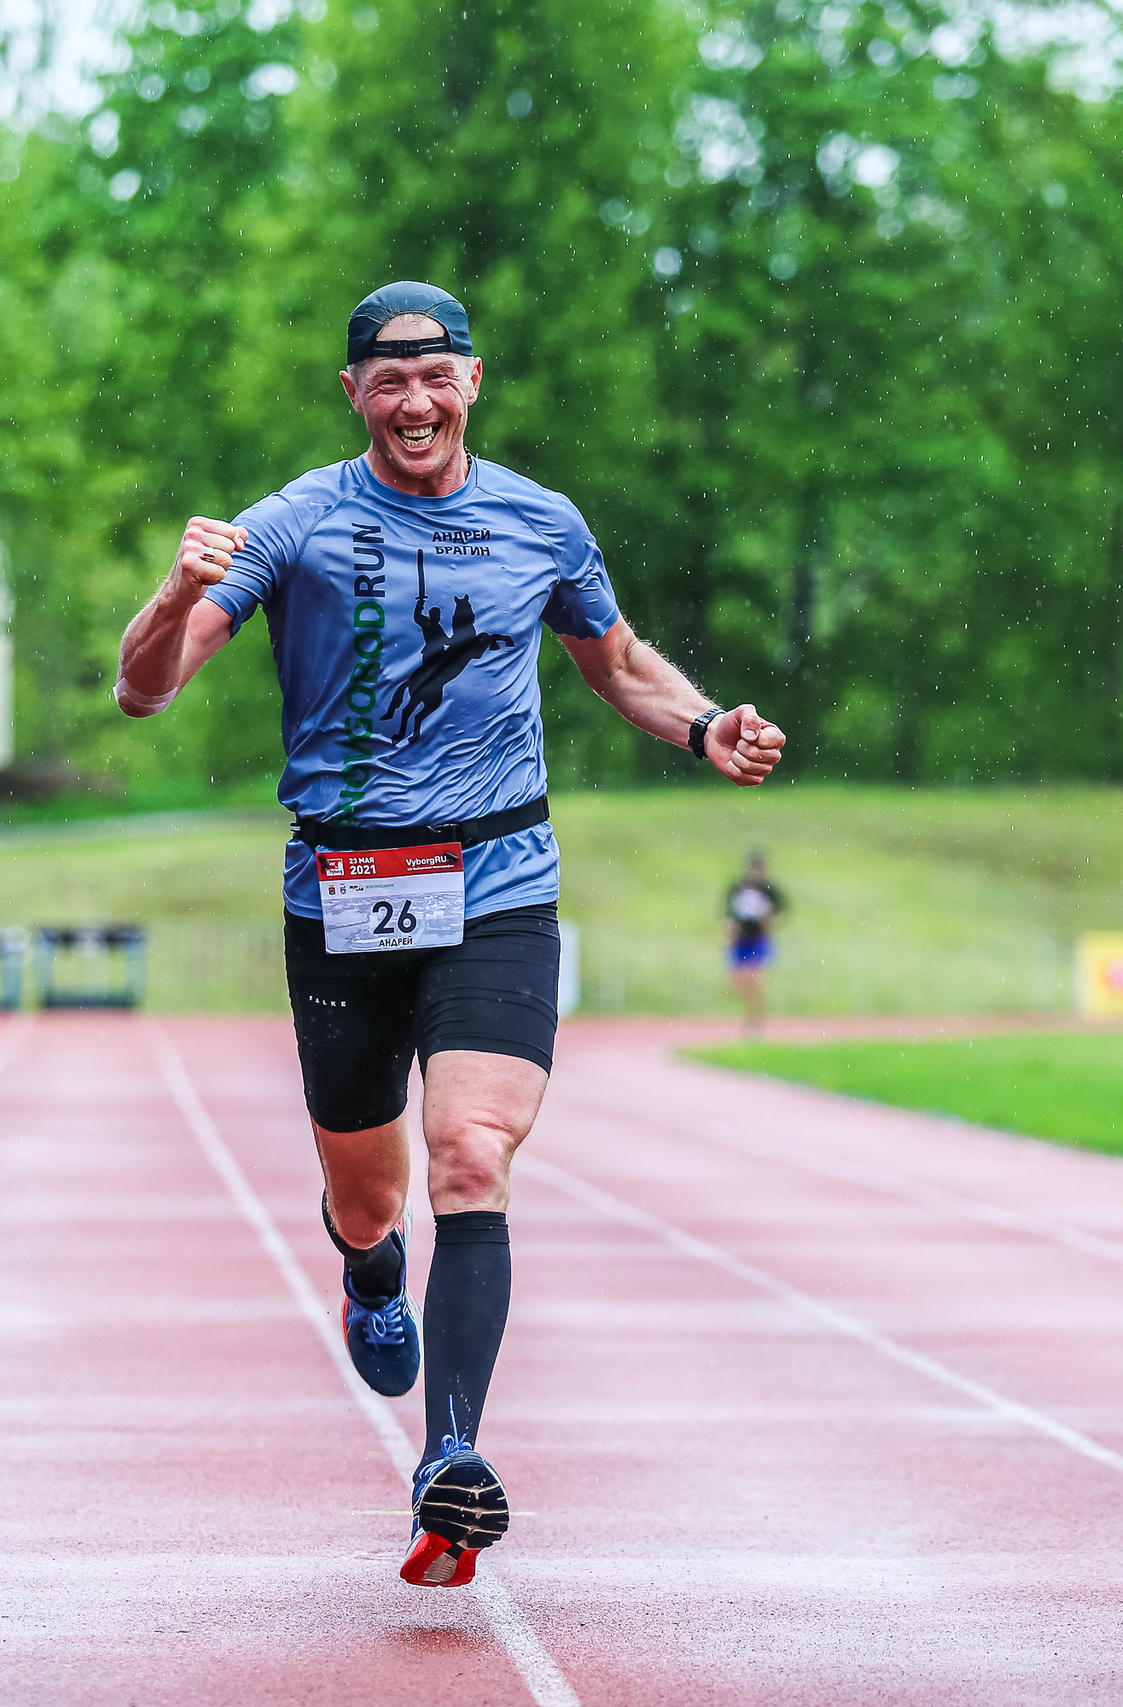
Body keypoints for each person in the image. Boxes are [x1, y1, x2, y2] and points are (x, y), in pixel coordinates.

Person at [113, 281, 786, 1588]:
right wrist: (167, 592)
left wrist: (704, 723)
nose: (416, 401)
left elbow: (621, 662)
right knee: (373, 1197)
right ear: (355, 394)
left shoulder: (542, 521)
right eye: (389, 380)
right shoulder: (291, 523)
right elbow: (148, 686)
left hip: (498, 881)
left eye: (439, 377)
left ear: (473, 380)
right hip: (346, 895)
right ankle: (371, 1269)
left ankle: (451, 1458)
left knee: (470, 1148)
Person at [725, 850, 784, 1039]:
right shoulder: (737, 887)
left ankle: (754, 1024)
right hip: (739, 940)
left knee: (757, 981)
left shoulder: (769, 889)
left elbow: (780, 912)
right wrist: (729, 929)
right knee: (737, 984)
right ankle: (751, 1012)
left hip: (759, 939)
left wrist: (768, 921)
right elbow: (727, 914)